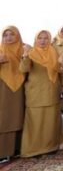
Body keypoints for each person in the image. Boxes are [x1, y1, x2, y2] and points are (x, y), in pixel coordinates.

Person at [19, 30, 63, 158]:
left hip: (52, 91)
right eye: (40, 38)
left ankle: (51, 147)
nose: (43, 41)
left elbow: (60, 70)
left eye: (45, 38)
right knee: (35, 122)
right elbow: (23, 69)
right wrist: (25, 55)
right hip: (36, 93)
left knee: (51, 121)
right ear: (36, 39)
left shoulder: (54, 52)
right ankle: (33, 149)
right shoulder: (31, 53)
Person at [0, 26, 25, 162]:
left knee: (18, 116)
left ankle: (17, 149)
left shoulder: (24, 49)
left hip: (21, 88)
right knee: (5, 118)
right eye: (5, 35)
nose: (8, 37)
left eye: (12, 34)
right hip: (3, 88)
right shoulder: (0, 50)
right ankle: (3, 151)